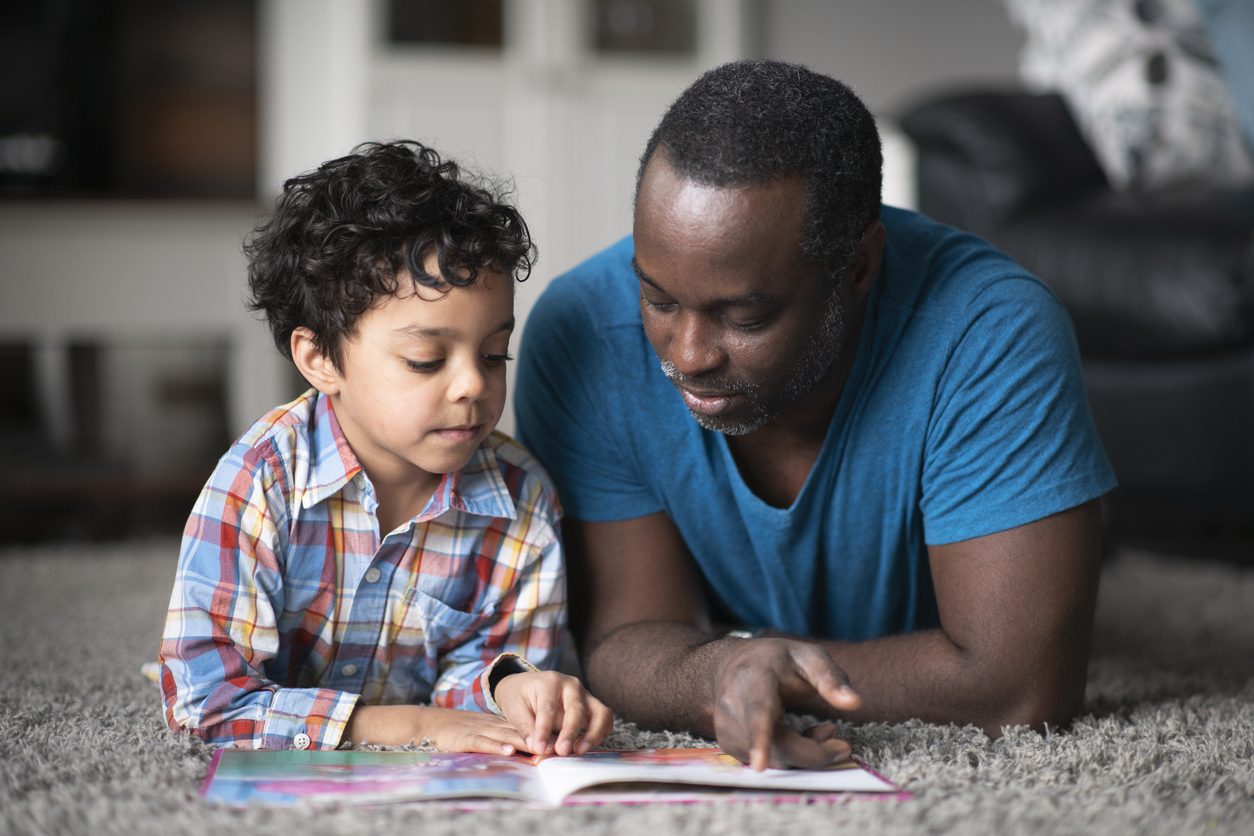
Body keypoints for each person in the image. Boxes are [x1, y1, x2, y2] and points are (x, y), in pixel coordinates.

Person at [514, 61, 1116, 772]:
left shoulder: (990, 330)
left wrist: (751, 664)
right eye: (658, 299)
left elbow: (1017, 689)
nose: (688, 354)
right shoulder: (584, 332)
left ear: (858, 267)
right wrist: (721, 675)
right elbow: (623, 639)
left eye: (745, 315)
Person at [159, 141, 612, 756]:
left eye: (494, 354)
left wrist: (510, 690)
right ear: (319, 359)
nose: (475, 385)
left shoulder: (522, 501)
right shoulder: (260, 482)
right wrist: (415, 727)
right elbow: (204, 704)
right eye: (425, 360)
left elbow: (480, 672)